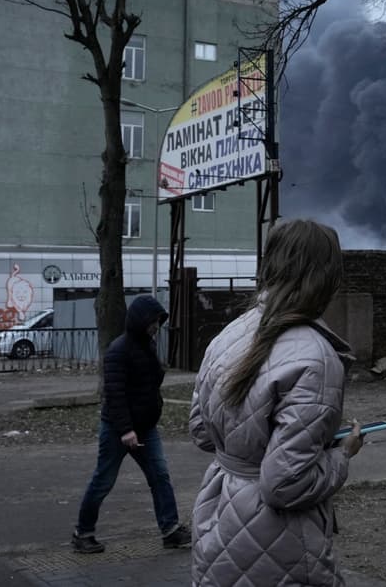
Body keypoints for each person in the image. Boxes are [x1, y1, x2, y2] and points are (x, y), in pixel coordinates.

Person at [189, 219, 365, 587]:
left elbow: (202, 433)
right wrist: (341, 454)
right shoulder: (317, 357)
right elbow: (284, 484)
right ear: (327, 278)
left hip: (218, 518)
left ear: (268, 266)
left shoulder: (227, 335)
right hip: (281, 540)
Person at [72, 294, 190, 553]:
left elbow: (150, 383)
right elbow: (114, 394)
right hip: (118, 430)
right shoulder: (118, 351)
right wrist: (126, 430)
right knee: (103, 480)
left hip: (145, 427)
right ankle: (83, 533)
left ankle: (170, 530)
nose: (156, 327)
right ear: (140, 320)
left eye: (158, 322)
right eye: (152, 321)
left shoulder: (147, 346)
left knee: (160, 476)